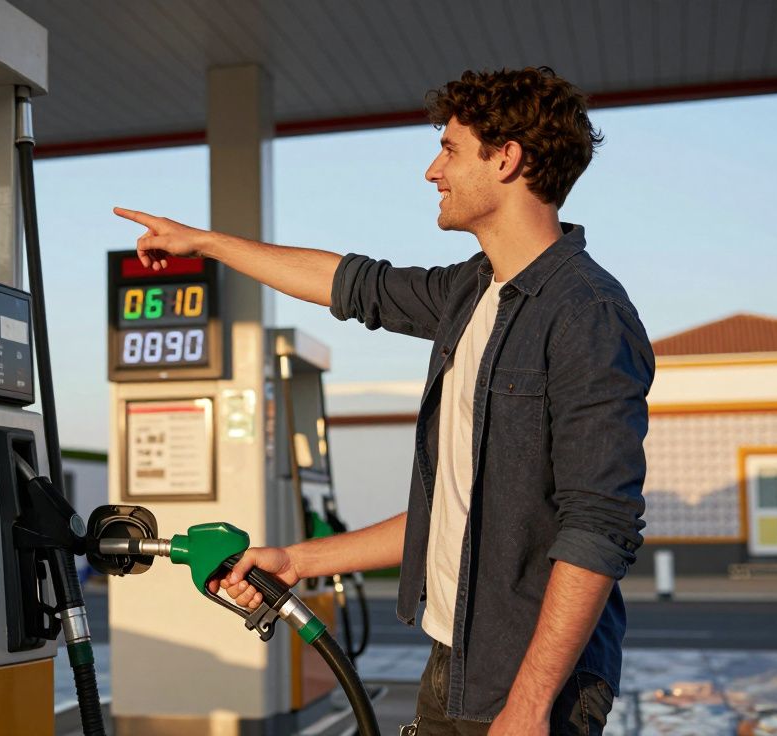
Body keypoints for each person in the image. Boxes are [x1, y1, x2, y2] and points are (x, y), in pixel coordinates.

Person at [113, 67, 653, 736]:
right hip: (454, 662)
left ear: (507, 159)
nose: (433, 170)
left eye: (450, 149)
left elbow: (599, 529)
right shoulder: (471, 294)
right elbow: (351, 285)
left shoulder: (587, 316)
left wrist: (530, 705)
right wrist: (205, 243)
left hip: (531, 687)